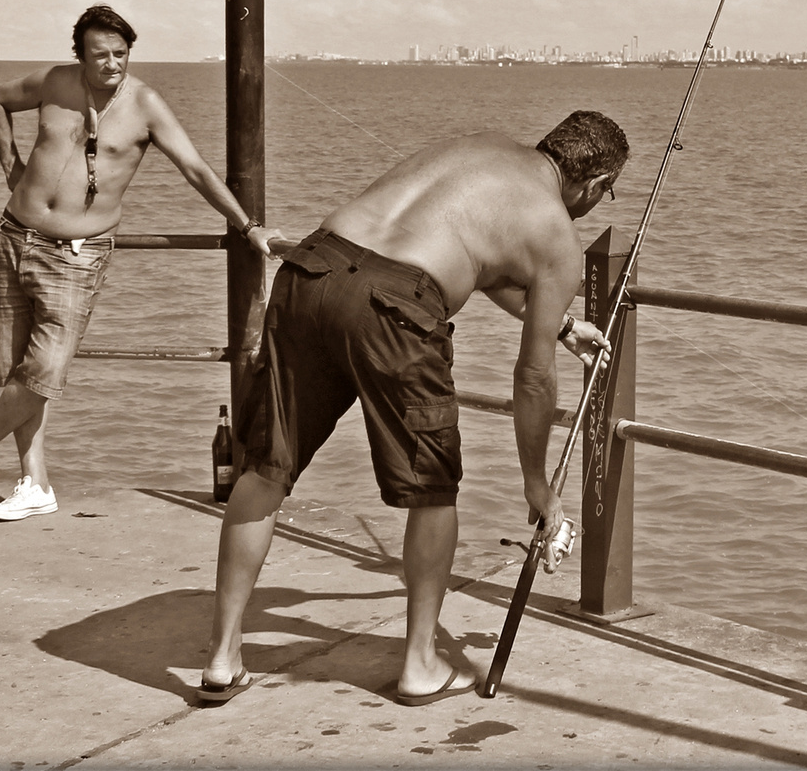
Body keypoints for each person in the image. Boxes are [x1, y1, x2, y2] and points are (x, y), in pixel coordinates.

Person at [198, 110, 627, 706]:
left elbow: (471, 258)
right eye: (608, 194)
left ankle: (222, 659)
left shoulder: (481, 142)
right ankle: (420, 665)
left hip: (311, 269)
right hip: (394, 309)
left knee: (266, 469)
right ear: (595, 183)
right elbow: (532, 380)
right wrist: (539, 487)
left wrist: (561, 326)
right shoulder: (557, 232)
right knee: (433, 491)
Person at [0, 4, 281, 521]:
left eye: (121, 54)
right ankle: (34, 484)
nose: (112, 64)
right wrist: (10, 165)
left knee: (44, 370)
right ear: (79, 55)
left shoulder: (146, 104)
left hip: (76, 256)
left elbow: (195, 169)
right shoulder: (54, 82)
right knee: (16, 368)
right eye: (100, 54)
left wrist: (249, 226)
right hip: (13, 237)